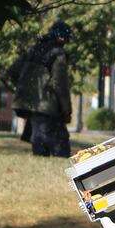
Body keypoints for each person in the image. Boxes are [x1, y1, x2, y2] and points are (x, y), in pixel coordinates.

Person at [11, 22, 73, 157]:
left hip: (31, 105)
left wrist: (25, 89)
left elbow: (13, 71)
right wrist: (67, 110)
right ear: (61, 38)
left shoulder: (33, 50)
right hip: (48, 107)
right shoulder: (58, 55)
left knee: (39, 142)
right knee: (60, 146)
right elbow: (60, 84)